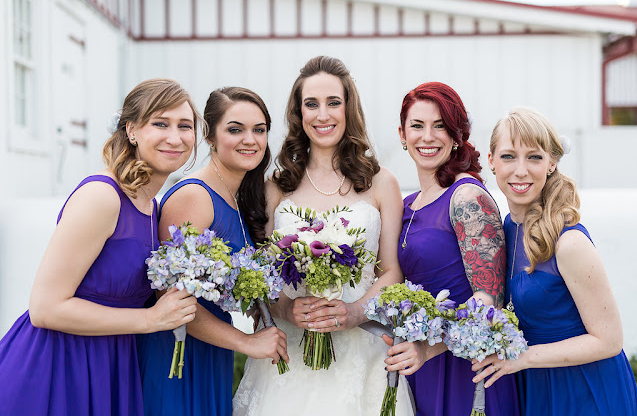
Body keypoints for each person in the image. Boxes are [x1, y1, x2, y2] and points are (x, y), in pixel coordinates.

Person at [0, 78, 200, 415]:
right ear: (132, 130)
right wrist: (150, 319)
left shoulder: (150, 206)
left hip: (111, 365)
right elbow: (45, 308)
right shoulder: (102, 197)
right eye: (160, 123)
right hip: (57, 367)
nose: (175, 137)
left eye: (185, 126)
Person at [233, 56, 414, 415]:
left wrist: (354, 312)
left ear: (349, 109)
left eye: (334, 103)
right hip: (290, 348)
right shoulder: (276, 187)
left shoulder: (381, 182)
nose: (323, 114)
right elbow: (262, 275)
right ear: (298, 114)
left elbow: (391, 271)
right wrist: (285, 307)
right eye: (311, 104)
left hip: (361, 349)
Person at [472, 106, 637, 414]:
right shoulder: (503, 230)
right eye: (509, 156)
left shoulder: (569, 242)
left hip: (586, 390)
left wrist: (521, 358)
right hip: (534, 387)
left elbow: (609, 340)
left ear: (551, 163)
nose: (520, 170)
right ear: (491, 161)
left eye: (534, 157)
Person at [137, 87, 289, 416]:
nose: (250, 139)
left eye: (259, 130)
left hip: (212, 347)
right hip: (176, 352)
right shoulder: (195, 195)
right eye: (235, 129)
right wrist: (245, 342)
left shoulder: (240, 196)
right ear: (209, 134)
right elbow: (169, 297)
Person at [384, 82, 520, 415]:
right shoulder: (407, 205)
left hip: (465, 365)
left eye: (440, 126)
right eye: (417, 126)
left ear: (457, 134)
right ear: (402, 134)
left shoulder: (467, 197)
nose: (427, 136)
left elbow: (490, 300)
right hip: (419, 362)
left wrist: (428, 348)